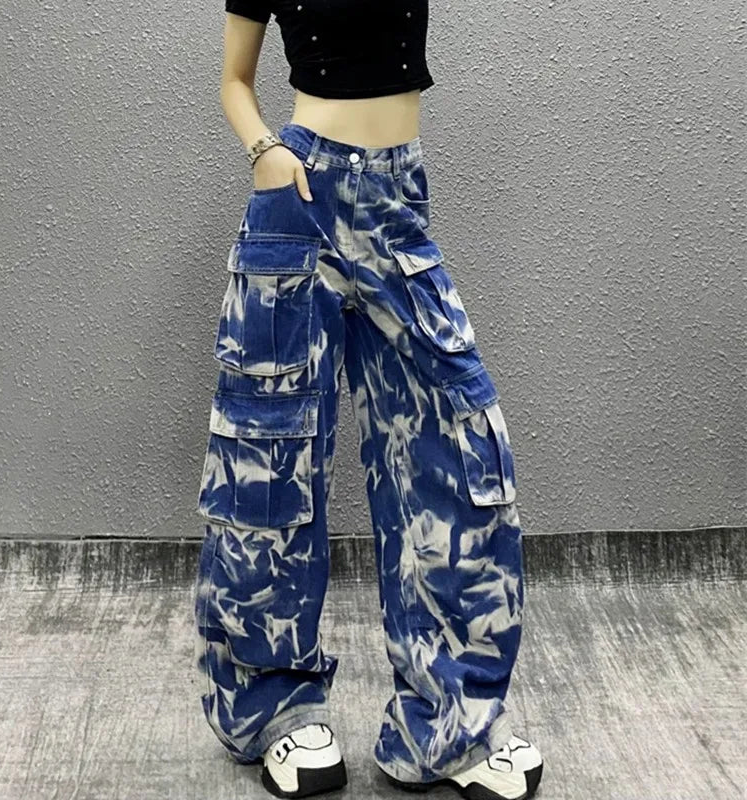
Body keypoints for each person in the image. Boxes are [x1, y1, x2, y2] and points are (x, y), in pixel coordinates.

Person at [192, 2, 544, 799]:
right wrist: (264, 152)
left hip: (396, 205)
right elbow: (233, 80)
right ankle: (272, 710)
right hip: (298, 200)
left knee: (452, 449)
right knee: (268, 460)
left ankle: (445, 726)